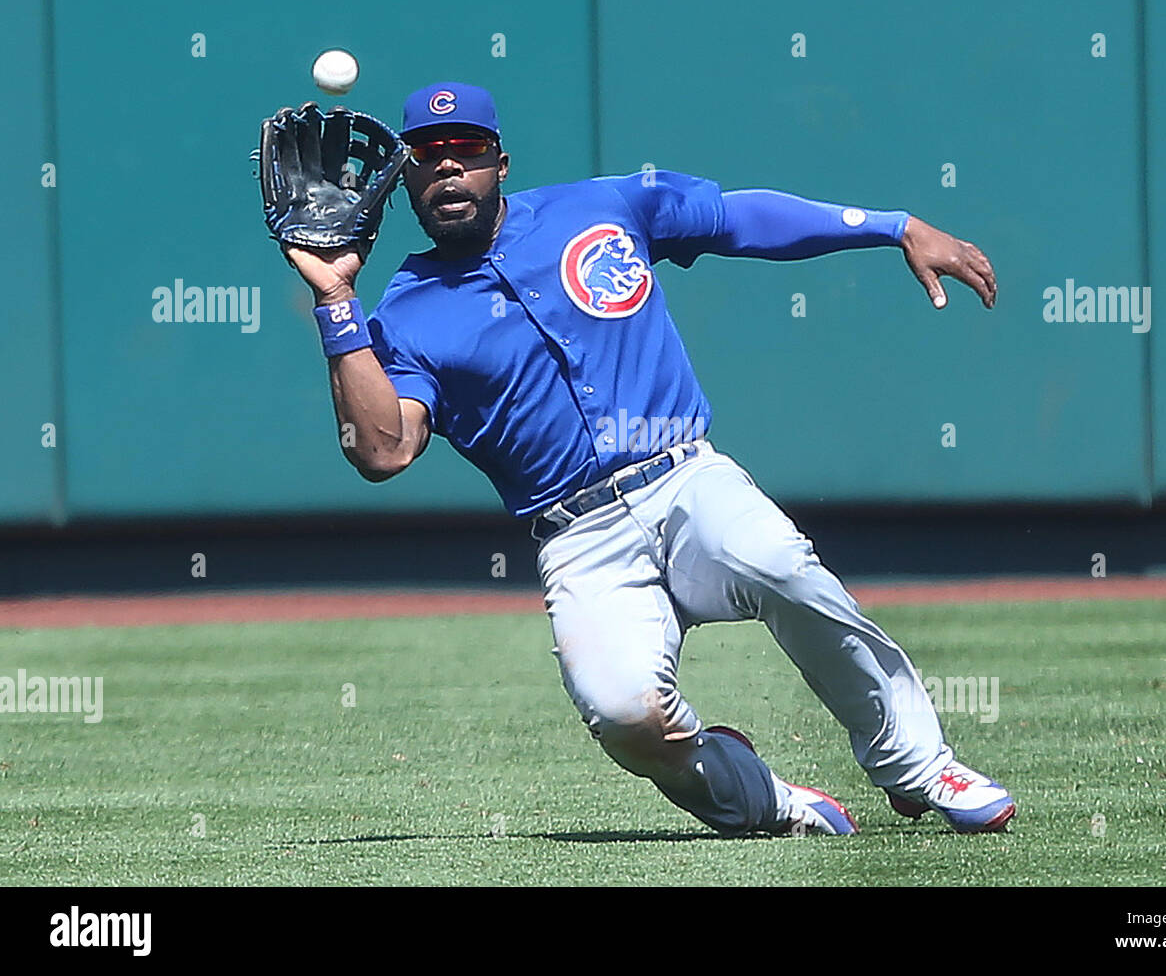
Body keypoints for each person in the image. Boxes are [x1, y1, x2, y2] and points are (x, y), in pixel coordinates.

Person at [284, 81, 1014, 836]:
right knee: (626, 714)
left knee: (781, 565)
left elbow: (738, 217)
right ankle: (768, 800)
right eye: (428, 154)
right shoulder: (402, 309)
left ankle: (919, 764)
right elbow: (382, 449)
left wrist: (894, 227)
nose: (447, 168)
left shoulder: (600, 208)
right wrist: (337, 299)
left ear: (500, 162)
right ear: (402, 177)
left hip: (684, 477)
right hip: (577, 536)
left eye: (465, 149)